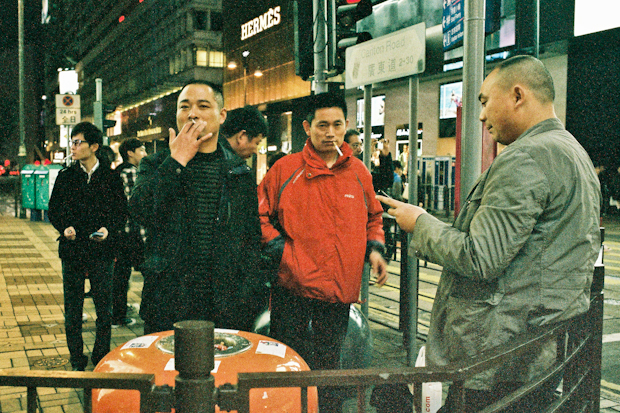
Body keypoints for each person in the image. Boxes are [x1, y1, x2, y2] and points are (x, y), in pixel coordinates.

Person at [377, 55, 601, 412]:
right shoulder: (573, 152)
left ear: (517, 95)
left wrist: (419, 222)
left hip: (499, 355)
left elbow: (480, 257)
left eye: (484, 101)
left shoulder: (526, 158)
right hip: (538, 347)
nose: (481, 115)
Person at [258, 93, 388, 411]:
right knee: (290, 364)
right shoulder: (284, 170)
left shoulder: (359, 172)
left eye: (337, 125)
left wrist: (374, 250)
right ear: (307, 127)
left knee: (330, 365)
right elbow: (259, 216)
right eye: (322, 125)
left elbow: (374, 216)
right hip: (292, 288)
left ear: (346, 126)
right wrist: (282, 253)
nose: (330, 132)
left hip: (338, 291)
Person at [130, 80, 266, 335]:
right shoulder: (155, 164)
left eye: (203, 106)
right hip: (168, 303)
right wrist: (177, 160)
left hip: (225, 306)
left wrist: (248, 295)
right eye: (185, 107)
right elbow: (141, 211)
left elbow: (250, 240)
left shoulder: (238, 171)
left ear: (221, 115)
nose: (192, 113)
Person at [48, 122, 127, 371]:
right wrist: (64, 228)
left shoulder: (111, 177)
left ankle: (100, 353)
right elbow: (54, 210)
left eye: (78, 142)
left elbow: (120, 211)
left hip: (101, 251)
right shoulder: (66, 176)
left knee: (104, 308)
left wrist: (108, 230)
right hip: (72, 251)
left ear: (94, 146)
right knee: (73, 308)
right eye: (72, 142)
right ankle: (76, 358)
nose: (73, 147)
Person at [111, 138, 147, 327]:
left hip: (119, 234)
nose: (145, 154)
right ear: (130, 153)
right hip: (133, 234)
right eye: (141, 150)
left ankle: (117, 314)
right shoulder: (132, 173)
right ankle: (148, 311)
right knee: (150, 272)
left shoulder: (117, 171)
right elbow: (137, 206)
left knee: (120, 276)